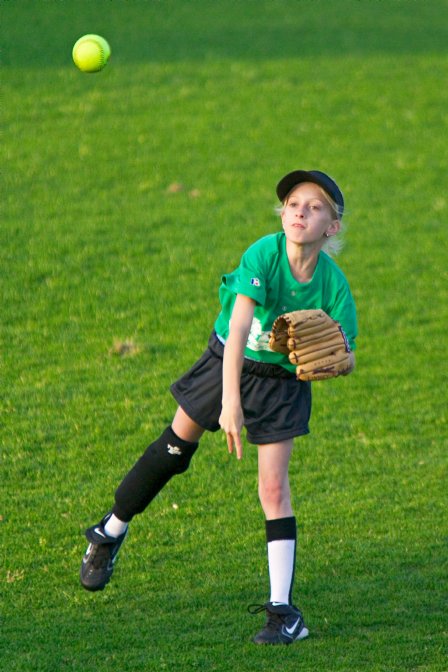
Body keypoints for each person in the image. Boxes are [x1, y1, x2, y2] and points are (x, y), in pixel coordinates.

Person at [80, 169, 358, 645]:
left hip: (281, 384)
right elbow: (238, 331)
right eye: (293, 203)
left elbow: (346, 353)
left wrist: (336, 361)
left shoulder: (333, 285)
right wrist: (230, 401)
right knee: (173, 449)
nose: (300, 211)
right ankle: (109, 531)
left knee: (273, 489)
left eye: (315, 207)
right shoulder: (263, 255)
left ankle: (284, 612)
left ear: (331, 227)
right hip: (228, 362)